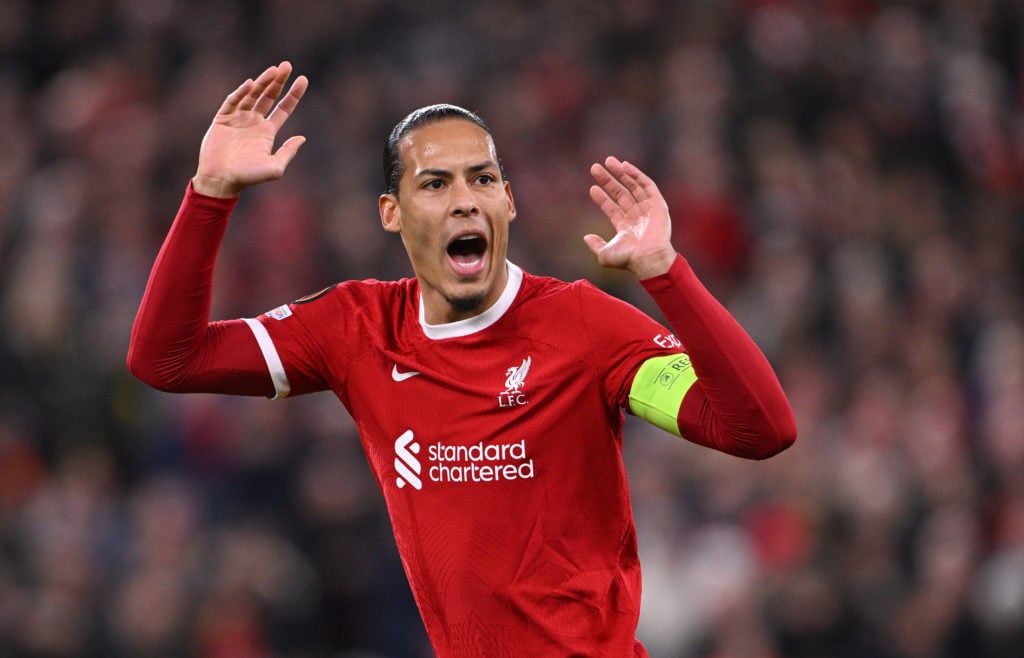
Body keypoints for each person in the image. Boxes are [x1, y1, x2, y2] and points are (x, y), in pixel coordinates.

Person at [128, 61, 797, 657]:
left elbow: (760, 431)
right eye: (435, 184)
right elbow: (168, 358)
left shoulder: (583, 325)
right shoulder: (355, 328)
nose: (464, 199)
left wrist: (666, 273)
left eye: (482, 178)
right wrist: (210, 193)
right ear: (392, 213)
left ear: (507, 200)